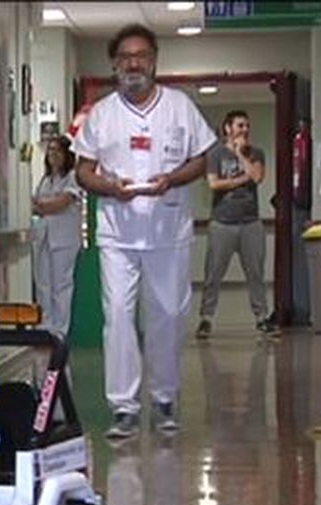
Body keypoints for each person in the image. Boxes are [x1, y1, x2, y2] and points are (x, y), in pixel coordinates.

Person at [72, 24, 218, 438]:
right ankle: (124, 406)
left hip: (168, 229)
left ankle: (165, 397)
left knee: (167, 316)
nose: (134, 63)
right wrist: (109, 187)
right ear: (115, 64)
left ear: (154, 61)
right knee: (117, 315)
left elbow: (201, 161)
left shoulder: (179, 107)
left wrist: (171, 180)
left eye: (141, 56)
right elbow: (83, 171)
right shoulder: (101, 114)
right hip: (118, 233)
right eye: (125, 57)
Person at [196, 110, 279, 338]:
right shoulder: (215, 154)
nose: (245, 130)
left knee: (256, 274)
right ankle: (206, 318)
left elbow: (257, 177)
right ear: (228, 128)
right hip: (222, 223)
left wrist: (241, 155)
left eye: (247, 126)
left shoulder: (256, 153)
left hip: (251, 223)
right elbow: (214, 184)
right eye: (240, 125)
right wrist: (241, 179)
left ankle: (261, 318)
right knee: (213, 273)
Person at [31, 136, 85, 340]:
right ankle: (45, 326)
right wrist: (42, 206)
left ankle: (60, 330)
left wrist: (43, 206)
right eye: (50, 150)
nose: (52, 154)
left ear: (67, 154)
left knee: (61, 286)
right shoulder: (46, 179)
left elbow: (60, 203)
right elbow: (36, 204)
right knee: (43, 284)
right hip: (44, 237)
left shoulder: (72, 177)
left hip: (64, 239)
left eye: (57, 151)